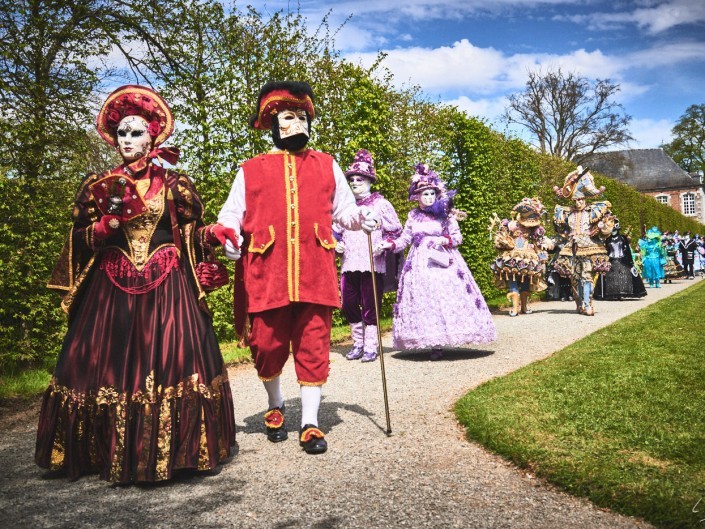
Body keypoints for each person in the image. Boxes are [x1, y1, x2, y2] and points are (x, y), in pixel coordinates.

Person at [36, 85, 237, 483]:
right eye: (122, 133)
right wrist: (100, 227)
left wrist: (213, 233)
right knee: (103, 364)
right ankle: (101, 452)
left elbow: (188, 233)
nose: (127, 140)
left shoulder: (174, 183)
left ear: (153, 137)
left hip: (168, 288)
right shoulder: (100, 184)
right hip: (112, 290)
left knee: (176, 362)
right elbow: (76, 238)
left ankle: (172, 453)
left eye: (136, 132)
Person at [217, 81, 378, 454]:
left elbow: (344, 211)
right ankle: (275, 407)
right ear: (272, 124)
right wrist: (229, 237)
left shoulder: (327, 164)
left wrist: (362, 217)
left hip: (315, 269)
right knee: (267, 345)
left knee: (314, 344)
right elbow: (231, 213)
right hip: (265, 269)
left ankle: (310, 423)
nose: (298, 122)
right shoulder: (251, 169)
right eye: (289, 117)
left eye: (303, 116)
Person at [375, 163, 496, 360]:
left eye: (432, 194)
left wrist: (444, 239)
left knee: (445, 297)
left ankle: (449, 336)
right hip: (419, 265)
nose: (429, 198)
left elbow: (457, 238)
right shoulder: (413, 216)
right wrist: (387, 245)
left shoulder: (445, 214)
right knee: (425, 299)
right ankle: (433, 343)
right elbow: (404, 240)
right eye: (425, 194)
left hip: (443, 262)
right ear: (417, 197)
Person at [334, 149, 402, 363]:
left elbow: (396, 231)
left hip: (373, 263)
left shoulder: (381, 204)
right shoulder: (345, 207)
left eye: (359, 179)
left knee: (371, 305)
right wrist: (338, 243)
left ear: (369, 181)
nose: (355, 182)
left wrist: (385, 244)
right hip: (349, 263)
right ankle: (358, 343)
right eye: (352, 179)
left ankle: (371, 346)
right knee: (348, 304)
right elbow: (335, 230)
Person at [552, 166, 614, 316]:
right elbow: (562, 231)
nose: (578, 202)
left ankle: (588, 304)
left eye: (580, 199)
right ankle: (579, 303)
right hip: (572, 248)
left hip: (589, 247)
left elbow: (605, 228)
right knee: (574, 278)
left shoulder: (594, 210)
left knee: (586, 275)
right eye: (575, 199)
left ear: (584, 198)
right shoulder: (567, 213)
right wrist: (561, 237)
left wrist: (603, 226)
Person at [490, 197, 554, 316]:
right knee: (512, 277)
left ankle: (524, 306)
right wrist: (502, 240)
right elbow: (503, 237)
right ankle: (515, 307)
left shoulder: (535, 229)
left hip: (528, 256)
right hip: (511, 255)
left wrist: (546, 245)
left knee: (526, 279)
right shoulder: (511, 224)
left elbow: (539, 241)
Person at [594, 220, 647, 300]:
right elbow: (607, 251)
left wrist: (630, 262)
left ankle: (624, 292)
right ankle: (611, 293)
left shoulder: (623, 238)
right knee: (610, 276)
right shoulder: (607, 239)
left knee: (626, 275)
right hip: (611, 260)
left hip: (623, 260)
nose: (613, 232)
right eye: (612, 230)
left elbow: (628, 250)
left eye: (615, 230)